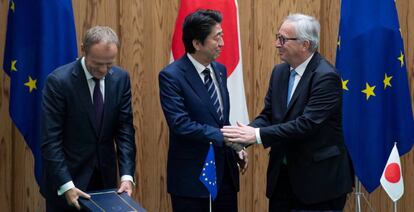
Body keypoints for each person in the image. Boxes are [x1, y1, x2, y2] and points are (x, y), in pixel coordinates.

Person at [221, 13, 353, 212]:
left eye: (283, 39)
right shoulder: (280, 72)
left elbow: (306, 125)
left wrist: (256, 135)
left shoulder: (326, 77)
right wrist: (243, 137)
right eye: (277, 37)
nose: (276, 43)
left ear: (305, 45)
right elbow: (269, 115)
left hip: (319, 184)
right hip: (282, 180)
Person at [159, 9, 248, 212]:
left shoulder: (220, 70)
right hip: (192, 177)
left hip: (224, 173)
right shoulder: (172, 76)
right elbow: (180, 124)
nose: (223, 43)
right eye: (217, 38)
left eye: (222, 36)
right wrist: (226, 138)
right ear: (197, 43)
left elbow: (219, 119)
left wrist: (237, 148)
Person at [40, 26, 136, 211]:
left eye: (109, 64)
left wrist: (126, 176)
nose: (103, 70)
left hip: (106, 183)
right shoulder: (59, 82)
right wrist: (66, 184)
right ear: (83, 49)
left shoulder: (120, 79)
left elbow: (124, 130)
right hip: (68, 181)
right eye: (97, 63)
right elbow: (51, 140)